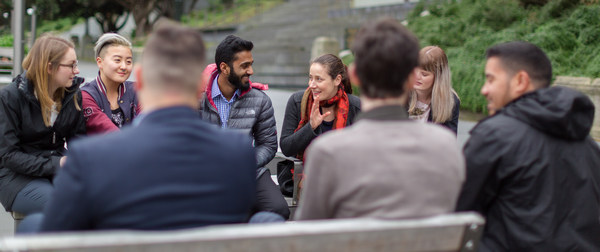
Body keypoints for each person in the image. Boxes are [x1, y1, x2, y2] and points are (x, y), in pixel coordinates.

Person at [38, 23, 257, 231]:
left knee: (33, 224)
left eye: (128, 61)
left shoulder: (89, 157)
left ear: (140, 79)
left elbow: (56, 235)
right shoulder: (239, 151)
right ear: (201, 83)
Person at [295, 19, 465, 220]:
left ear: (355, 75)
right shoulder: (446, 147)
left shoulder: (327, 153)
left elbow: (310, 232)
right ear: (411, 78)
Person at [455, 41, 600, 251]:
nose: (484, 90)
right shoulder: (586, 142)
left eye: (490, 79)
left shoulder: (494, 135)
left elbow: (461, 214)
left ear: (520, 81)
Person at [200, 35, 289, 220]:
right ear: (224, 68)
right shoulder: (196, 99)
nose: (251, 71)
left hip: (248, 171)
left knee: (279, 209)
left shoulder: (259, 100)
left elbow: (268, 145)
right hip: (207, 173)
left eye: (251, 64)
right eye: (244, 66)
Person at [0, 35, 86, 215]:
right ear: (49, 67)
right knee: (62, 207)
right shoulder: (10, 97)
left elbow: (79, 141)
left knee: (95, 199)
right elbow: (8, 155)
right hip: (16, 177)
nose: (76, 70)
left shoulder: (72, 95)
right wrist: (58, 163)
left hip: (55, 170)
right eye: (71, 65)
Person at [280, 54, 361, 160]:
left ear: (337, 80)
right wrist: (311, 126)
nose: (312, 85)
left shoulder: (356, 106)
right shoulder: (297, 101)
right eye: (310, 78)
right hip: (305, 173)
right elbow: (286, 148)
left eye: (319, 79)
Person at [81, 33, 140, 134]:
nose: (124, 66)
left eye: (129, 61)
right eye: (117, 60)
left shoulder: (136, 90)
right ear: (100, 62)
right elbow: (107, 130)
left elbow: (148, 123)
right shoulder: (86, 96)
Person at [407, 46, 460, 134]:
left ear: (438, 77)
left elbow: (449, 139)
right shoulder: (400, 92)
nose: (417, 77)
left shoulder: (451, 101)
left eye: (424, 74)